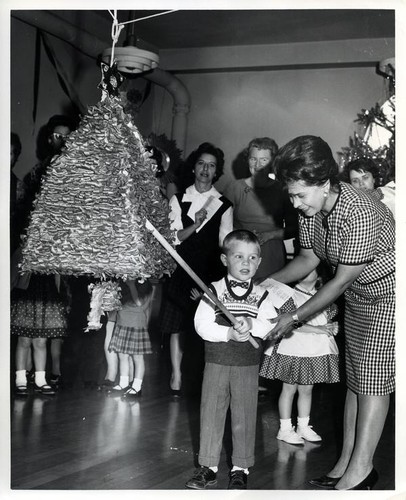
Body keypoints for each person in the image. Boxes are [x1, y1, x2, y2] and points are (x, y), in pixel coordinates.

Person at [263, 135, 394, 491]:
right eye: (291, 194)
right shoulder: (311, 210)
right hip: (357, 298)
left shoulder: (361, 210)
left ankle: (362, 469)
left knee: (373, 383)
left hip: (390, 297)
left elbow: (338, 281)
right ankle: (346, 464)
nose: (294, 202)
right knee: (356, 383)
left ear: (324, 184)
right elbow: (307, 259)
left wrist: (293, 317)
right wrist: (262, 285)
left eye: (300, 194)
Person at [185, 230, 277, 490]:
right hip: (216, 363)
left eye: (252, 257)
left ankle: (240, 467)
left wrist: (251, 324)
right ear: (225, 260)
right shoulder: (212, 291)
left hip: (247, 366)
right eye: (239, 256)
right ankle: (208, 467)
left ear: (259, 262)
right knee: (211, 412)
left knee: (245, 415)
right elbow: (201, 325)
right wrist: (227, 332)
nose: (246, 263)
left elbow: (269, 326)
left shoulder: (262, 295)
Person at [160, 142, 233, 395]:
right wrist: (195, 225)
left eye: (211, 166)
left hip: (209, 273)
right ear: (194, 167)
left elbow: (226, 244)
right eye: (201, 163)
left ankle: (200, 378)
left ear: (216, 172)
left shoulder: (224, 205)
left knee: (204, 326)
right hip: (182, 269)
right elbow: (173, 238)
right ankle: (176, 375)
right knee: (178, 325)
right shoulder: (179, 199)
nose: (205, 169)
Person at [260, 264, 340, 445]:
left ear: (319, 277)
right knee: (289, 389)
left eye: (310, 270)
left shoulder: (324, 298)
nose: (304, 271)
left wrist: (331, 328)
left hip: (313, 351)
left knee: (307, 389)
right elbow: (290, 323)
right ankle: (285, 428)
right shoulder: (289, 297)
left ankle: (303, 425)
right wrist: (319, 329)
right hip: (293, 348)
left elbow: (326, 321)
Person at [223, 137, 298, 281]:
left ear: (273, 162)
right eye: (253, 159)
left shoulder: (283, 189)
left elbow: (294, 228)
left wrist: (269, 235)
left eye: (264, 160)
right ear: (247, 160)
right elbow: (223, 227)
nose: (257, 165)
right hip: (240, 254)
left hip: (271, 255)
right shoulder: (234, 188)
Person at [105, 279, 153, 398]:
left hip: (136, 325)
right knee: (122, 356)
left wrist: (132, 285)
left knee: (137, 358)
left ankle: (137, 387)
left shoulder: (146, 285)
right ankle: (124, 383)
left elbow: (139, 303)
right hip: (123, 323)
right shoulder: (124, 282)